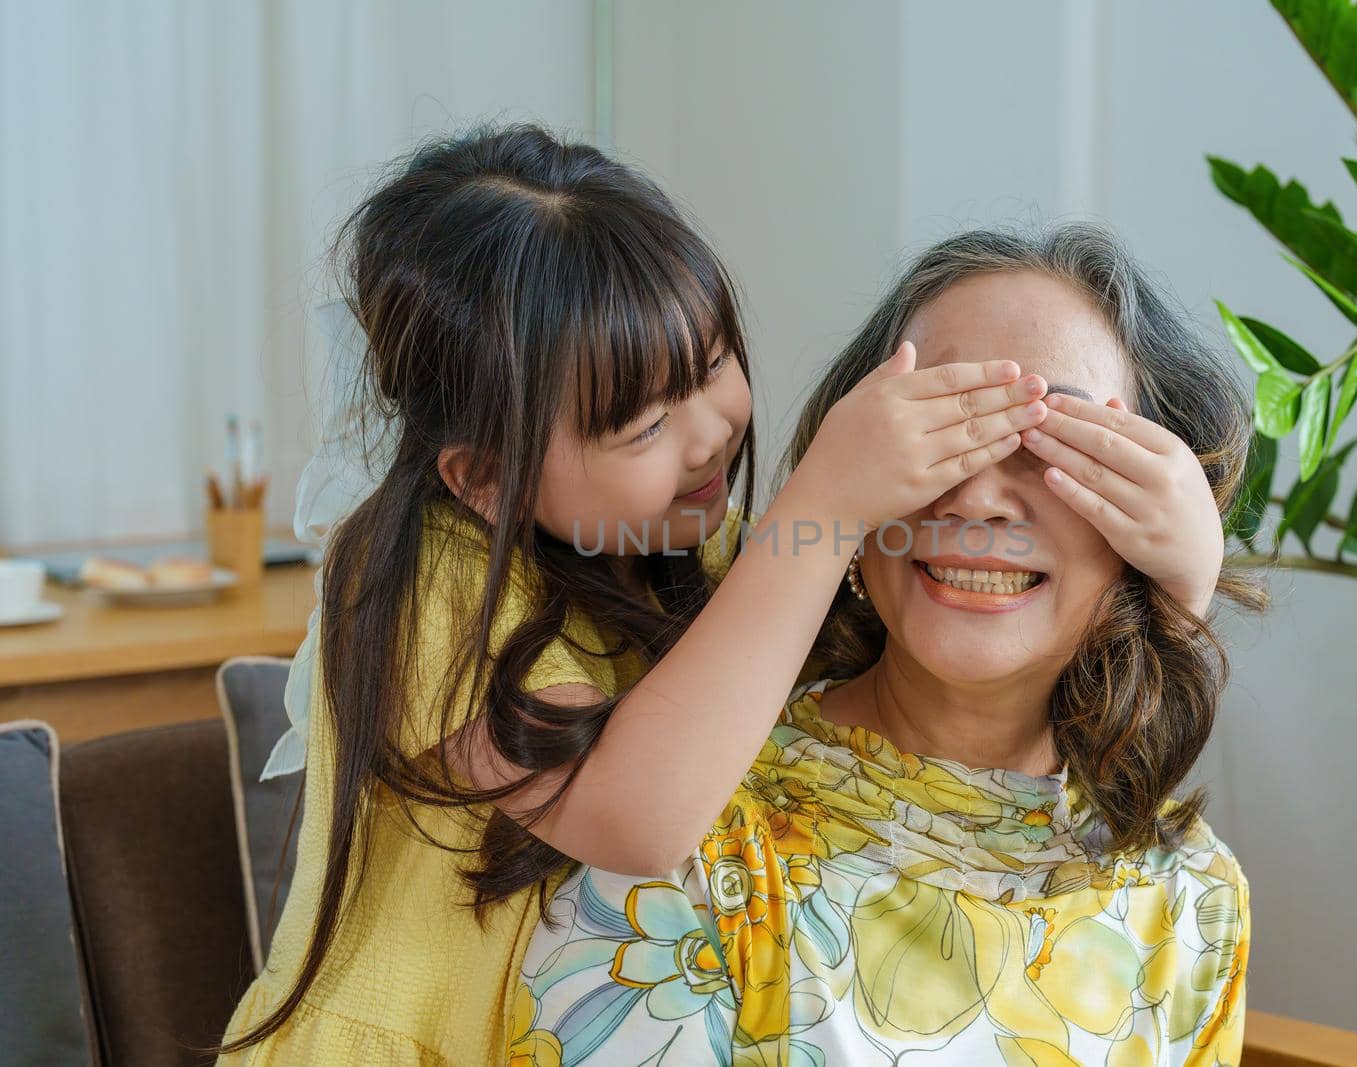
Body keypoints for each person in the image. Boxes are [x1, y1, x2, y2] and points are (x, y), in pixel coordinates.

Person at [219, 123, 1048, 1063]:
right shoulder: (417, 578)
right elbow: (634, 817)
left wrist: (1175, 576)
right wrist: (827, 498)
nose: (708, 438)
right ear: (485, 477)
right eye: (645, 423)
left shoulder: (681, 546)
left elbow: (867, 659)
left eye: (712, 368)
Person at [507, 223, 1265, 1065]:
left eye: (1056, 440)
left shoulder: (1196, 898)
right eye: (938, 430)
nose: (978, 497)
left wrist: (1176, 595)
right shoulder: (689, 840)